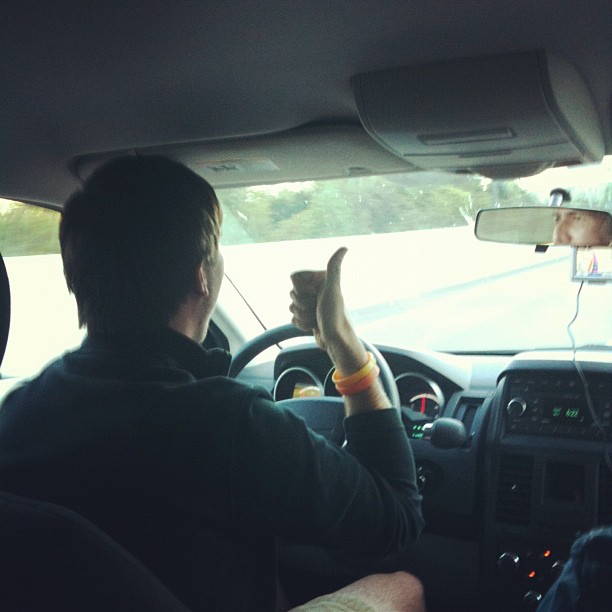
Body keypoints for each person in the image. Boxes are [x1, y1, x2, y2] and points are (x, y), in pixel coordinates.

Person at [0, 156, 424, 611]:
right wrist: (344, 345)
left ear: (74, 277)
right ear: (202, 275)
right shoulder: (230, 421)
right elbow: (395, 522)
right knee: (400, 586)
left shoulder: (18, 410)